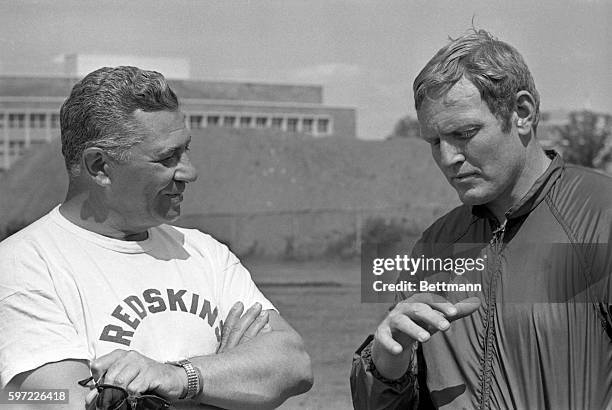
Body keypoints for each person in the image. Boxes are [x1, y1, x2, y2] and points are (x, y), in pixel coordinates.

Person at [0, 66, 312, 409]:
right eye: (167, 158)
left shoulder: (203, 252)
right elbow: (62, 401)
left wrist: (180, 378)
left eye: (186, 150)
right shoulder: (23, 265)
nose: (189, 172)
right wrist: (226, 383)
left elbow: (292, 363)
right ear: (99, 167)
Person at [351, 29, 612, 409]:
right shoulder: (436, 245)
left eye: (464, 134)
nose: (448, 158)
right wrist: (387, 364)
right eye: (434, 142)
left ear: (522, 113)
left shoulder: (602, 219)